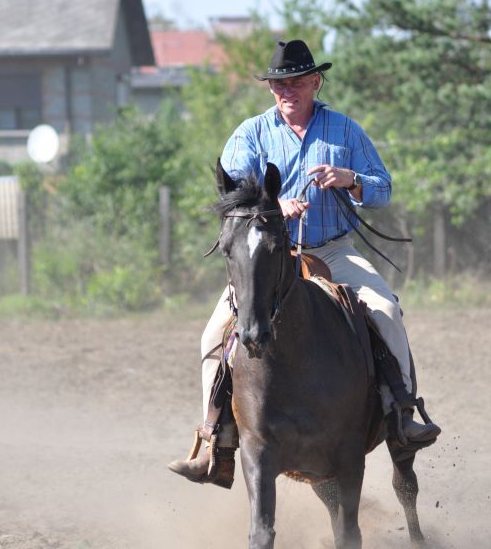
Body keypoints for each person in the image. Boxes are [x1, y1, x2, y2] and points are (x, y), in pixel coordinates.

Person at [169, 39, 441, 484]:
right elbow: (233, 195)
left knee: (386, 310)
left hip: (334, 249)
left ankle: (402, 417)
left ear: (315, 81)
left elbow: (384, 189)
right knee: (213, 336)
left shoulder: (345, 131)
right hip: (269, 257)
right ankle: (215, 441)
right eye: (278, 84)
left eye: (295, 82)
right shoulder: (251, 134)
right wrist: (273, 205)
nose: (286, 91)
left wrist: (351, 180)